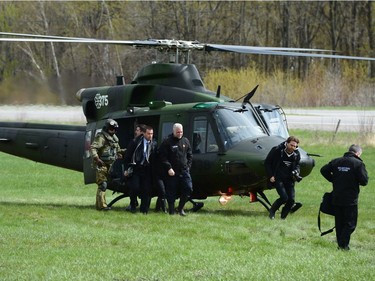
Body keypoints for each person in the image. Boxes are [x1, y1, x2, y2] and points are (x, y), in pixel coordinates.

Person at [320, 144, 368, 250]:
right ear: (357, 153)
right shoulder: (358, 164)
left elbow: (323, 170)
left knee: (340, 222)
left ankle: (341, 244)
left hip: (336, 196)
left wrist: (334, 179)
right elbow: (364, 181)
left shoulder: (336, 161)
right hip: (350, 199)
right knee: (351, 224)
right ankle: (343, 245)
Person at [90, 119, 125, 210]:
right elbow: (93, 148)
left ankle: (99, 205)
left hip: (111, 165)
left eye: (114, 129)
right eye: (111, 128)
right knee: (103, 184)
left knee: (105, 184)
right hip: (102, 164)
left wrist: (124, 152)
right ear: (107, 128)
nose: (112, 130)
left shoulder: (114, 139)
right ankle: (101, 206)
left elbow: (118, 150)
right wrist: (97, 159)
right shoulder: (101, 137)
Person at [159, 123, 193, 216]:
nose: (180, 134)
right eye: (178, 132)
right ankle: (171, 211)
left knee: (188, 188)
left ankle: (180, 208)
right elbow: (163, 157)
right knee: (171, 192)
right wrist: (169, 168)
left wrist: (188, 167)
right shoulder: (167, 142)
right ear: (173, 131)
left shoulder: (185, 141)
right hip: (172, 172)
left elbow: (190, 155)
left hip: (184, 170)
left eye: (181, 132)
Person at [265, 136, 301, 219]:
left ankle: (283, 217)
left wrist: (296, 171)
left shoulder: (296, 153)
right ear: (287, 143)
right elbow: (267, 163)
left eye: (295, 146)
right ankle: (272, 211)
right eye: (291, 145)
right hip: (278, 178)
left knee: (291, 200)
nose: (293, 147)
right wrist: (271, 175)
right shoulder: (277, 150)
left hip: (289, 179)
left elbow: (298, 164)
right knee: (284, 197)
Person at [124, 125, 157, 214]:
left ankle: (144, 210)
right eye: (148, 133)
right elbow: (127, 156)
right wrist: (127, 169)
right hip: (136, 168)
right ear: (144, 133)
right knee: (135, 187)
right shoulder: (135, 142)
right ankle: (133, 205)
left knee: (147, 190)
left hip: (147, 170)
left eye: (152, 134)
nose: (150, 136)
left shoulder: (154, 144)